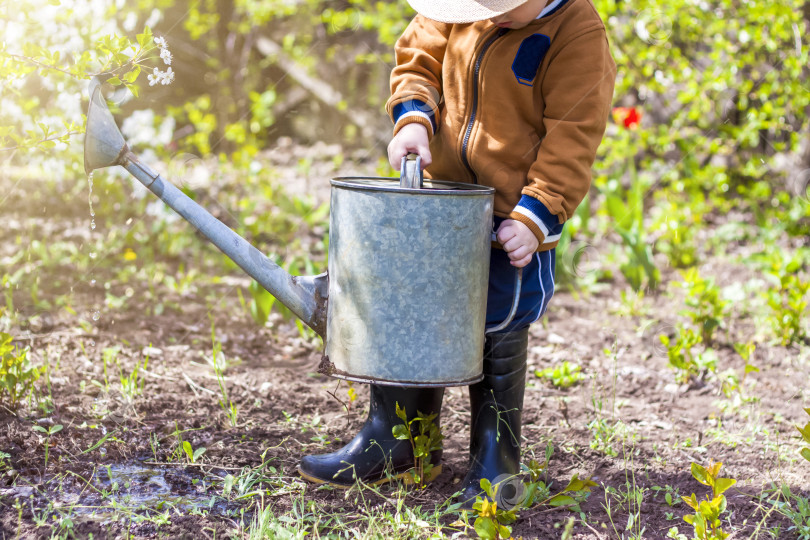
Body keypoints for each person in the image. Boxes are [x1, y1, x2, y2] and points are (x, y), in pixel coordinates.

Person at [298, 0, 615, 506]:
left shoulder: (576, 33)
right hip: (440, 208)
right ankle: (400, 440)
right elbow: (417, 59)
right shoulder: (457, 10)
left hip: (512, 223)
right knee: (411, 314)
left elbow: (573, 136)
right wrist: (413, 121)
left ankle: (496, 462)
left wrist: (536, 215)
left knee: (495, 329)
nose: (486, 15)